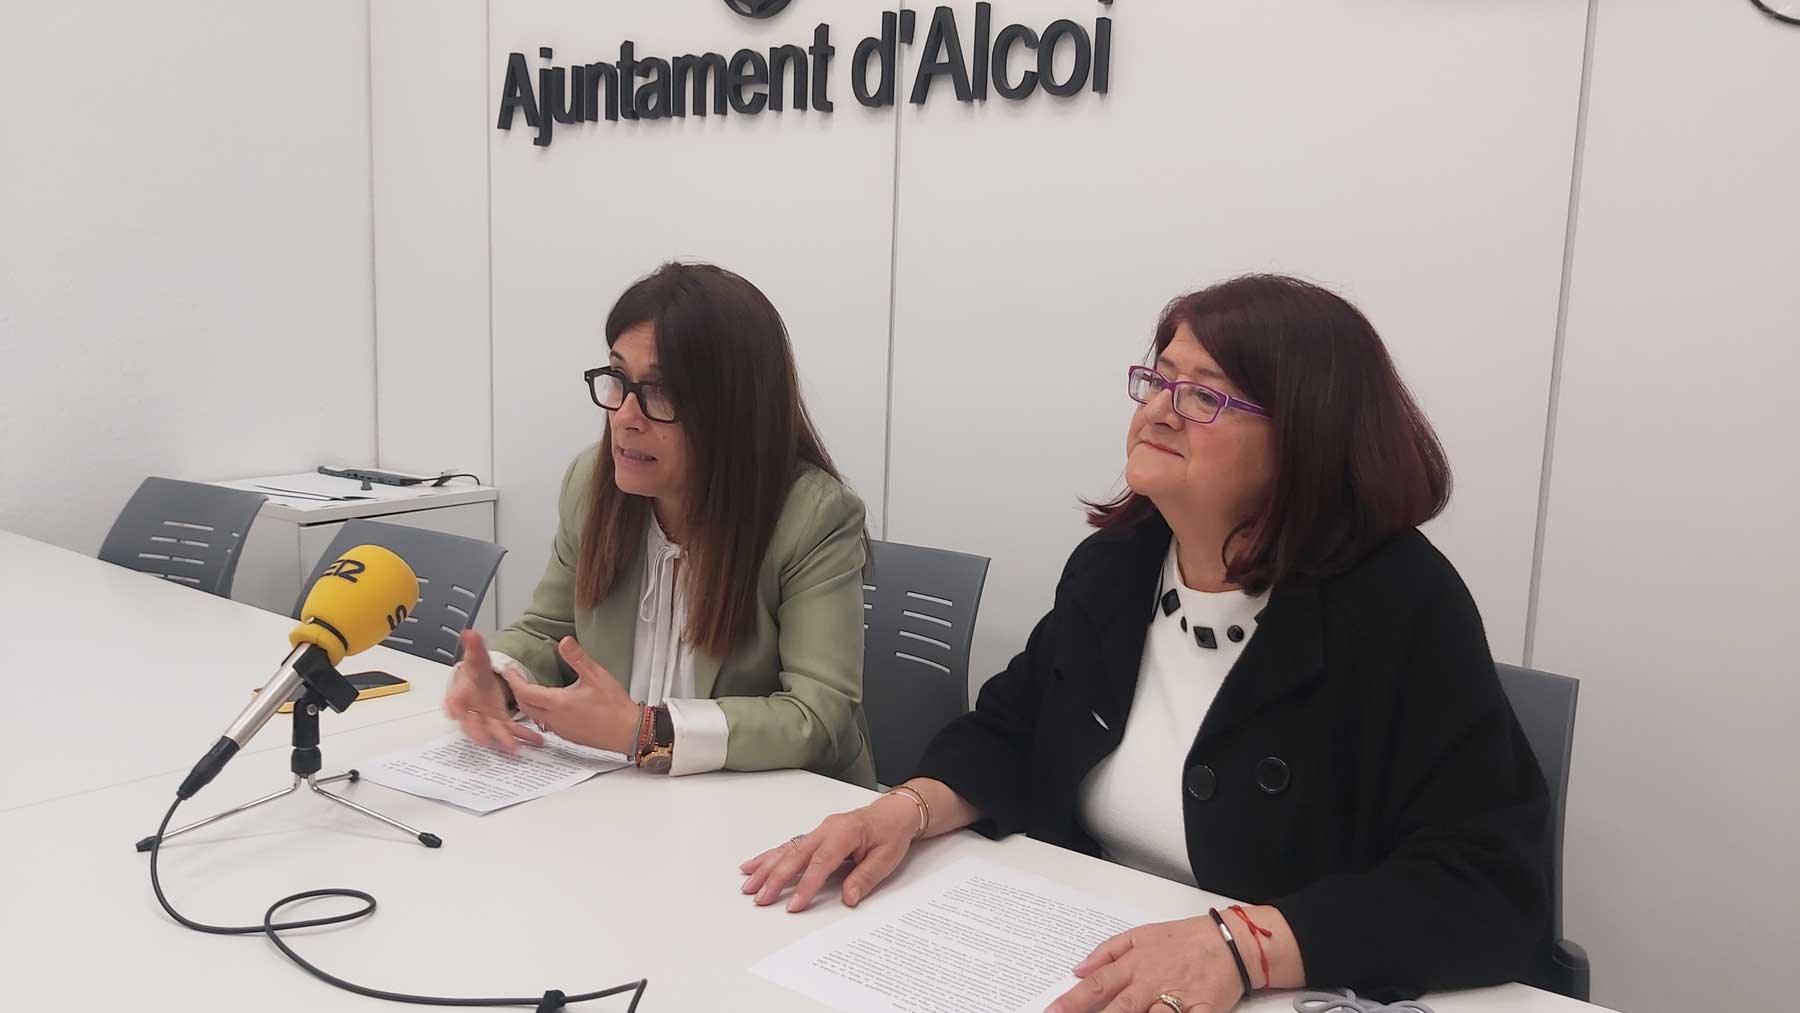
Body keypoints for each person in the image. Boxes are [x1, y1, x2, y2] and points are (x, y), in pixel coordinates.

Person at [741, 275, 1550, 1010]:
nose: (1160, 407)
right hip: (1073, 948)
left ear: (1307, 436)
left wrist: (1244, 946)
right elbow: (1013, 729)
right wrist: (905, 808)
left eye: (1206, 395)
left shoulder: (1401, 602)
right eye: (1159, 378)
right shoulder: (1117, 565)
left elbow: (1488, 884)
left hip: (1284, 986)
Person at [444, 261, 875, 787]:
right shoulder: (592, 483)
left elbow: (817, 714)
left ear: (735, 410)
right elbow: (550, 631)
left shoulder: (812, 517)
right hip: (631, 794)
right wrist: (501, 679)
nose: (626, 415)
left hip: (775, 805)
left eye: (661, 392)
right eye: (617, 379)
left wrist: (647, 731)